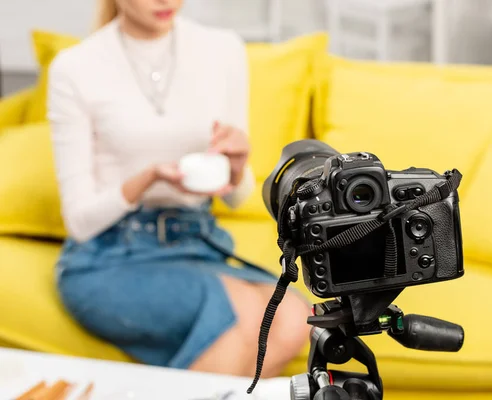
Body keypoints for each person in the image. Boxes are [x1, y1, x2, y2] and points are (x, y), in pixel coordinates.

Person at [48, 0, 310, 377]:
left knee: (292, 319)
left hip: (196, 241)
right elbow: (79, 222)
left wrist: (237, 164)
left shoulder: (222, 50)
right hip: (107, 256)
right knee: (243, 316)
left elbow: (236, 196)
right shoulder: (75, 68)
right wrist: (147, 178)